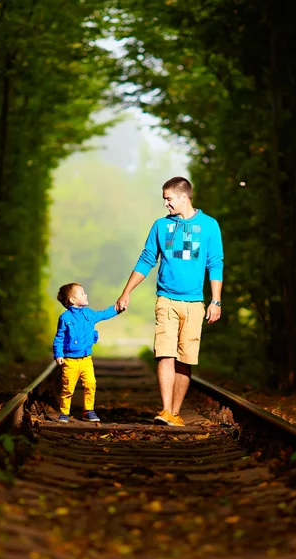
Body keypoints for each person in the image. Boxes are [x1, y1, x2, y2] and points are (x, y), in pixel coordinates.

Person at [116, 176, 223, 428]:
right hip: (166, 299)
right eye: (164, 199)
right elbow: (146, 260)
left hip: (195, 303)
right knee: (165, 354)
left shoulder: (209, 226)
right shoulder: (161, 226)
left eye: (168, 199)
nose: (166, 204)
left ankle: (175, 412)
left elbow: (215, 263)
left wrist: (215, 301)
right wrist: (126, 291)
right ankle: (165, 410)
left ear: (183, 197)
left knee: (185, 359)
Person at [53, 282, 123, 423]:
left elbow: (103, 314)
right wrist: (58, 354)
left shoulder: (89, 314)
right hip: (70, 361)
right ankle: (64, 413)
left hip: (86, 360)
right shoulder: (65, 318)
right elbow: (59, 337)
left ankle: (88, 410)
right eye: (82, 293)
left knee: (90, 384)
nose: (86, 295)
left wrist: (117, 309)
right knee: (68, 388)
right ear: (72, 300)